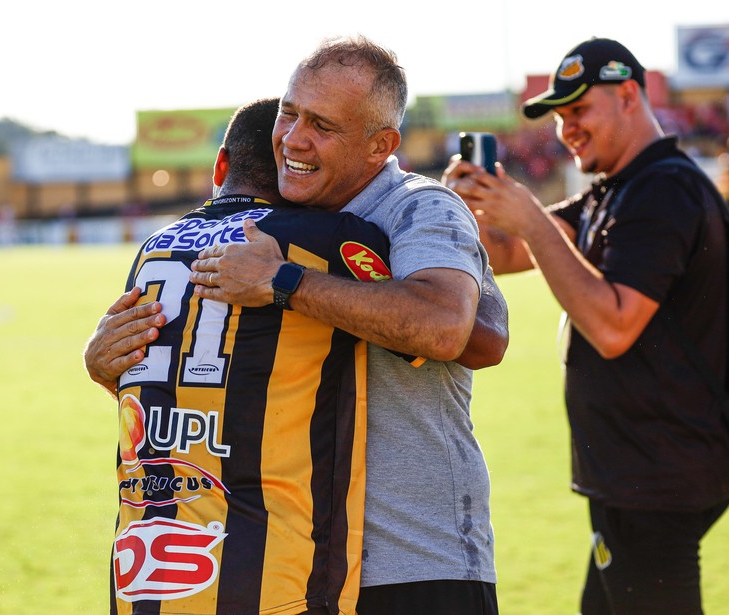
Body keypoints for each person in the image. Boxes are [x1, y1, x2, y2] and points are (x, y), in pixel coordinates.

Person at [88, 37, 508, 615]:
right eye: (289, 113)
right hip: (307, 566)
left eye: (323, 125)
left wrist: (287, 283)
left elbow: (459, 332)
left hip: (414, 558)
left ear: (379, 145)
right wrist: (107, 362)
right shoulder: (278, 228)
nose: (293, 138)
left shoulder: (417, 207)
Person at [443, 38, 729, 614]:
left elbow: (613, 325)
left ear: (629, 94)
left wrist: (529, 216)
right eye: (558, 116)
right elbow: (504, 254)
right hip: (639, 471)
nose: (566, 128)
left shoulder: (661, 190)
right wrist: (469, 209)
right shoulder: (620, 189)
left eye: (579, 110)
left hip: (657, 476)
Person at [103, 97, 403, 615]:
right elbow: (436, 331)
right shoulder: (327, 240)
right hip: (274, 579)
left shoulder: (155, 246)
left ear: (221, 166)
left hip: (143, 575)